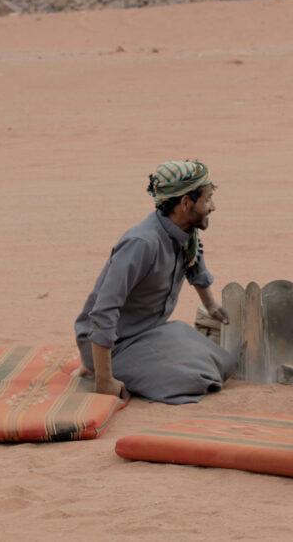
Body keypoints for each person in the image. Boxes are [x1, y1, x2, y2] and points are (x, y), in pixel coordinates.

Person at [74, 160, 238, 403]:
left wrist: (212, 306)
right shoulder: (142, 244)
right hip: (118, 343)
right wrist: (104, 381)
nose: (212, 206)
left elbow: (196, 268)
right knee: (195, 381)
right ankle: (97, 366)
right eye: (207, 199)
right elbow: (104, 310)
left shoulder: (185, 233)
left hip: (149, 330)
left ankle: (113, 366)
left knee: (226, 363)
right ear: (185, 203)